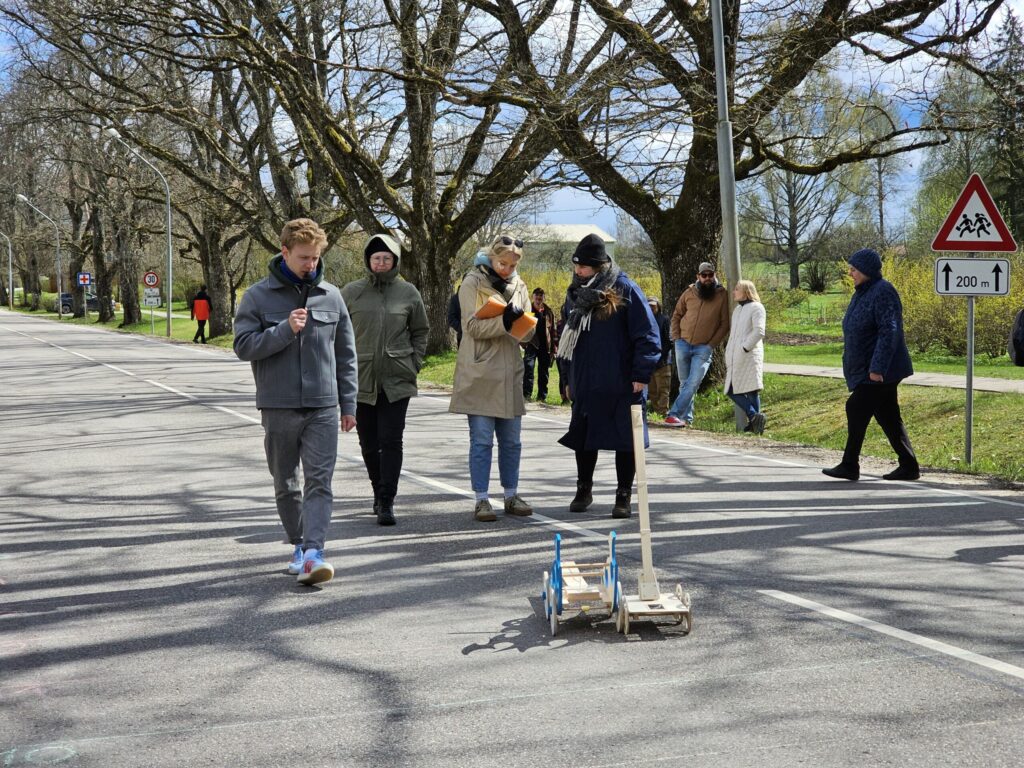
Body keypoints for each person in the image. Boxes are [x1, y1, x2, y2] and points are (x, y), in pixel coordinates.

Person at [233, 218, 358, 585]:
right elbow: (244, 346)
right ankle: (300, 545)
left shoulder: (331, 296)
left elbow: (346, 355)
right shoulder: (257, 296)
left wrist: (348, 404)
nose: (311, 265)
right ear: (284, 252)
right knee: (286, 483)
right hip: (278, 405)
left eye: (316, 257)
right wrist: (284, 330)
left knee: (320, 481)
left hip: (323, 405)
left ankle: (315, 552)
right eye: (304, 257)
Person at [557, 233, 661, 518]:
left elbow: (647, 336)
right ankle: (584, 489)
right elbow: (565, 339)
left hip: (621, 380)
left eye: (583, 266)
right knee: (583, 436)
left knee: (626, 439)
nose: (578, 271)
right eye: (576, 265)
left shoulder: (624, 288)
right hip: (585, 380)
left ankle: (623, 495)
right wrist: (566, 378)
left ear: (599, 266)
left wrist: (641, 373)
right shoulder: (574, 294)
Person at [342, 234, 429, 526]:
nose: (381, 263)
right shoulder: (351, 292)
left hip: (397, 380)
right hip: (360, 378)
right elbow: (338, 334)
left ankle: (387, 500)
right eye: (376, 258)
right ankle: (377, 492)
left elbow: (421, 331)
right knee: (369, 443)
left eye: (386, 258)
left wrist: (413, 363)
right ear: (368, 260)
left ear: (395, 260)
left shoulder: (408, 292)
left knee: (391, 440)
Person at [449, 235, 535, 522]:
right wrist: (505, 321)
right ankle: (482, 499)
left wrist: (525, 324)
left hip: (510, 372)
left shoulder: (520, 285)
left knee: (512, 442)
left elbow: (528, 333)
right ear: (491, 257)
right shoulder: (472, 282)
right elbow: (471, 327)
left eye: (512, 265)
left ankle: (511, 495)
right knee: (482, 441)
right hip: (480, 373)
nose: (507, 270)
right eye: (502, 263)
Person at [823, 248, 919, 482]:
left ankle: (850, 464)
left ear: (866, 270)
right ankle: (908, 465)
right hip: (867, 367)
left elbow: (889, 331)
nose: (850, 273)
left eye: (854, 269)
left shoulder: (883, 291)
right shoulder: (862, 293)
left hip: (881, 370)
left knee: (855, 407)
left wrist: (877, 369)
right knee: (887, 415)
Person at [665, 261, 730, 427]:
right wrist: (676, 338)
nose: (707, 278)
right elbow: (677, 315)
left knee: (693, 382)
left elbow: (725, 324)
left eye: (710, 275)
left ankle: (674, 414)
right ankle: (686, 420)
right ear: (698, 276)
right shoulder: (689, 292)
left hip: (704, 347)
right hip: (682, 343)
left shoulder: (722, 295)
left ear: (714, 275)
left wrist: (711, 345)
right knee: (684, 383)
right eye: (704, 275)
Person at [723, 280, 767, 433]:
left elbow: (759, 331)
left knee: (750, 389)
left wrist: (745, 347)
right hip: (737, 355)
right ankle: (755, 420)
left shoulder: (757, 307)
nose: (734, 292)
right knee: (732, 388)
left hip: (749, 355)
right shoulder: (737, 310)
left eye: (737, 289)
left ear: (746, 291)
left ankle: (754, 420)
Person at [522, 287, 557, 402]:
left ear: (543, 298)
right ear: (533, 297)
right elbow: (521, 327)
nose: (538, 298)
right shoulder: (528, 310)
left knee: (544, 372)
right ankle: (526, 395)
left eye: (541, 296)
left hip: (545, 346)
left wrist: (554, 349)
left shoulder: (548, 312)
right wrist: (523, 343)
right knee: (528, 369)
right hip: (531, 344)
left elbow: (553, 331)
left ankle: (542, 397)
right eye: (536, 296)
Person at [646, 297, 672, 415]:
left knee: (663, 389)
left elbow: (669, 341)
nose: (651, 308)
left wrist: (660, 355)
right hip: (649, 362)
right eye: (649, 305)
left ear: (658, 306)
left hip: (663, 361)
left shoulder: (664, 319)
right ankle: (657, 412)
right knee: (652, 391)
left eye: (653, 305)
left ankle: (663, 412)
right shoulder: (644, 320)